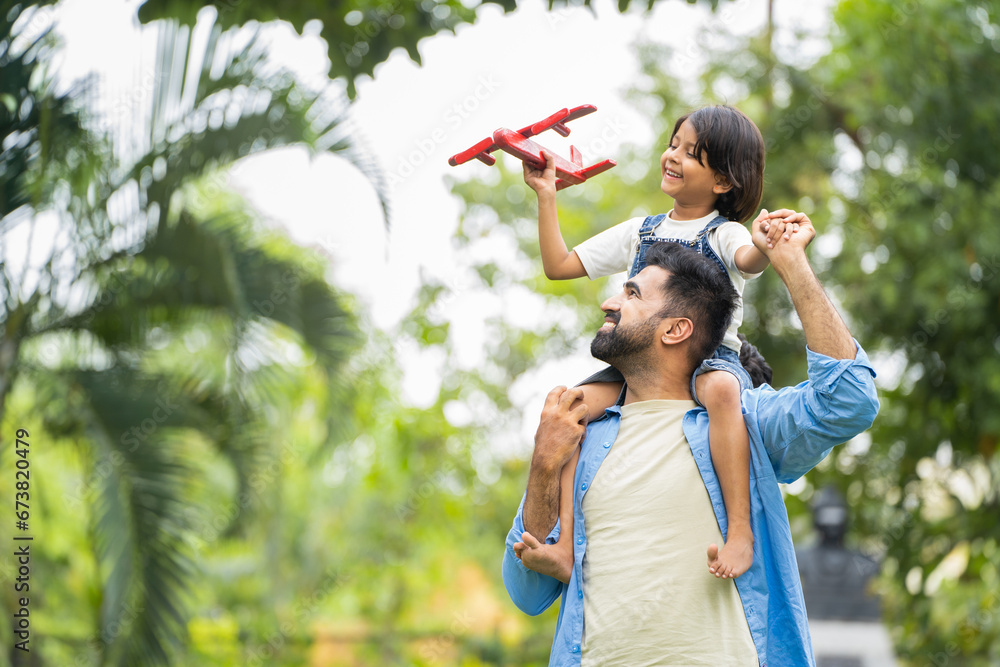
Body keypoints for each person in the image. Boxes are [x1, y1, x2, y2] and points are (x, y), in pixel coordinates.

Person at [501, 220, 879, 665]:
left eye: (632, 294)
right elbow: (527, 592)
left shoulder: (742, 422)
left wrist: (792, 264)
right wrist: (544, 462)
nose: (609, 302)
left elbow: (848, 400)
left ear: (675, 330)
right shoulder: (580, 433)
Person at [522, 104, 791, 580]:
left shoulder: (723, 233)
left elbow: (748, 260)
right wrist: (547, 195)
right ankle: (565, 545)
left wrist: (766, 243)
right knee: (573, 408)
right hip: (640, 362)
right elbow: (559, 265)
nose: (672, 157)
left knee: (726, 392)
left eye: (691, 154)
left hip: (709, 359)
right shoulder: (640, 230)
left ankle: (740, 531)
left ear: (723, 182)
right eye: (673, 145)